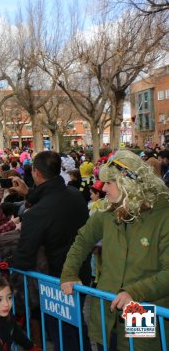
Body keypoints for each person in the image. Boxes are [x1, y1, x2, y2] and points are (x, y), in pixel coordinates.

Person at [61, 150, 169, 351]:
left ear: (128, 184)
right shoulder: (108, 210)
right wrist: (69, 272)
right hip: (106, 308)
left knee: (136, 347)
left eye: (109, 183)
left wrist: (134, 292)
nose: (103, 188)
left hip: (142, 310)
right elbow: (82, 240)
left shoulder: (163, 216)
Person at [11, 151, 91, 351]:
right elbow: (53, 202)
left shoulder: (38, 213)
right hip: (81, 273)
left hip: (55, 282)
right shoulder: (74, 195)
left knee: (64, 335)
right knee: (76, 329)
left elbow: (24, 258)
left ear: (36, 173)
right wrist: (29, 193)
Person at [0, 276, 40, 351]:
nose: (6, 304)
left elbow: (17, 334)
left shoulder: (10, 318)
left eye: (9, 297)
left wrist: (31, 347)